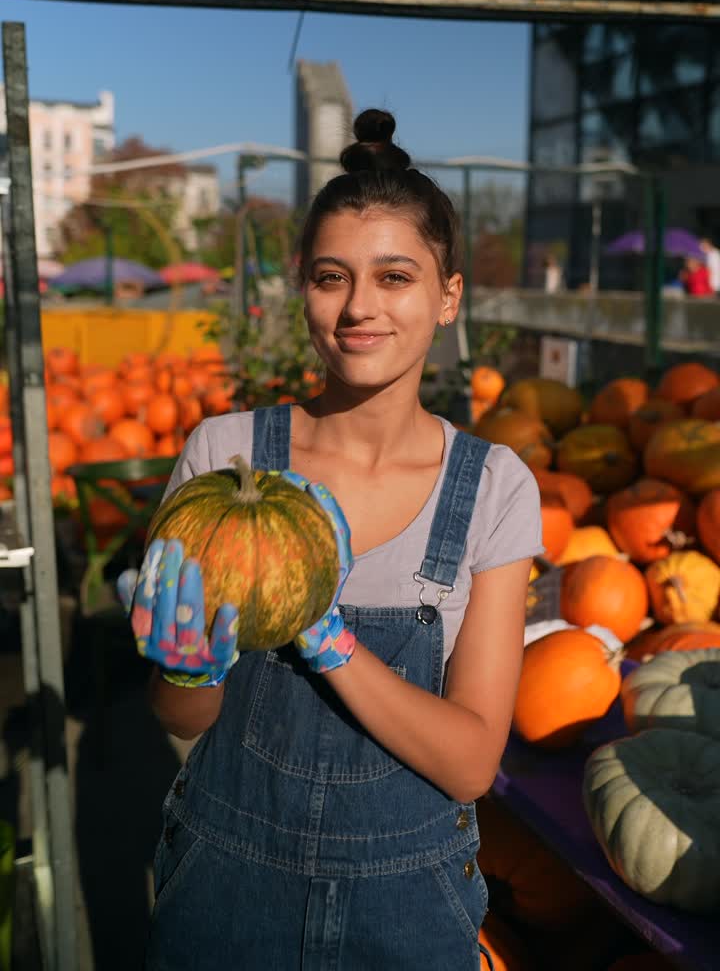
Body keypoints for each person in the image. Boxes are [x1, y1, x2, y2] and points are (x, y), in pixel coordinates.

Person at [118, 109, 542, 970]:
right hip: (223, 882)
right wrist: (183, 668)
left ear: (447, 296)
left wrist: (324, 631)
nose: (358, 308)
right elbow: (183, 720)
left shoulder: (495, 487)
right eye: (330, 275)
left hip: (410, 908)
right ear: (302, 290)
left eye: (395, 277)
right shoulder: (226, 455)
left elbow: (468, 762)